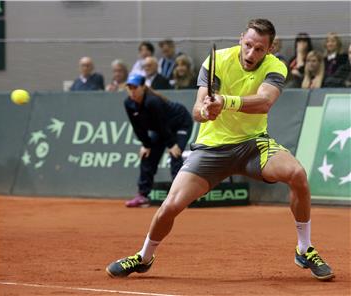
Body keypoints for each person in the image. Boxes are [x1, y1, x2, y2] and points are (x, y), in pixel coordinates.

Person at [106, 19, 334, 281]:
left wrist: (225, 101)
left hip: (252, 145)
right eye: (248, 45)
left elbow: (264, 102)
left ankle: (304, 249)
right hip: (211, 149)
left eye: (259, 49)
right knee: (170, 206)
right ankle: (144, 257)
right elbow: (196, 111)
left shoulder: (276, 67)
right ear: (241, 39)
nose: (251, 54)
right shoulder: (216, 61)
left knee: (297, 174)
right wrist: (205, 111)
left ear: (269, 50)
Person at [122, 74, 193, 208]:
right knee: (146, 155)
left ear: (143, 87)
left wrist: (172, 145)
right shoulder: (128, 103)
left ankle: (179, 196)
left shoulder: (152, 101)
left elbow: (162, 124)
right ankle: (143, 196)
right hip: (162, 129)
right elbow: (137, 127)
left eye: (135, 88)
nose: (132, 91)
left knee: (175, 154)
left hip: (180, 122)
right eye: (129, 88)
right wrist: (146, 144)